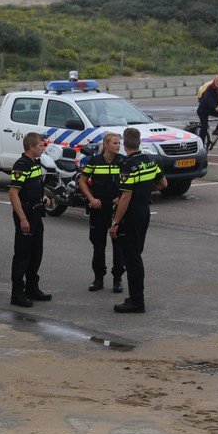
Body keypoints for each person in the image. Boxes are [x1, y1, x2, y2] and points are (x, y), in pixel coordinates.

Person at [109, 128, 167, 313]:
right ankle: (135, 297)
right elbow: (163, 183)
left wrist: (115, 223)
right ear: (139, 142)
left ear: (125, 144)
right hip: (144, 212)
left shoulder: (127, 165)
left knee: (132, 258)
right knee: (136, 254)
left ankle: (136, 300)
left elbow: (125, 197)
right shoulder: (149, 161)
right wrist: (144, 191)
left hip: (131, 215)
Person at [78, 132, 126, 294]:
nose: (118, 146)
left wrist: (120, 198)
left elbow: (128, 183)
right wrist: (91, 198)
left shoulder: (122, 161)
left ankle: (117, 279)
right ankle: (98, 278)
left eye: (119, 143)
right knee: (98, 245)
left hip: (115, 210)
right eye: (114, 143)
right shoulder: (95, 162)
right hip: (98, 209)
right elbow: (82, 181)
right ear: (105, 145)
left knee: (118, 246)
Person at [8, 133, 52, 308]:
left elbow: (35, 185)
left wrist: (43, 197)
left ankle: (32, 288)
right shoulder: (21, 165)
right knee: (23, 255)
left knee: (36, 253)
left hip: (36, 213)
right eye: (41, 145)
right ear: (31, 147)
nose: (44, 147)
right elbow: (13, 193)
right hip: (25, 215)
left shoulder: (35, 163)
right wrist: (23, 219)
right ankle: (17, 294)